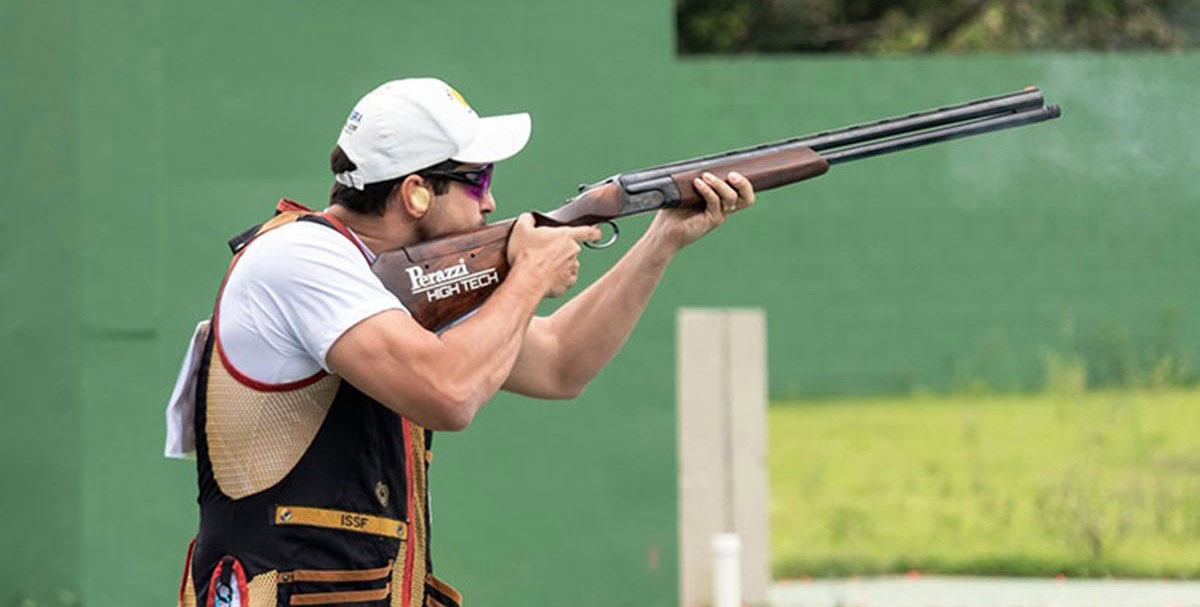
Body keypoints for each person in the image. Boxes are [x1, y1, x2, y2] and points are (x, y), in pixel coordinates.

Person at [164, 78, 755, 607]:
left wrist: (661, 242)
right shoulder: (301, 258)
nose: (492, 202)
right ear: (416, 192)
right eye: (478, 181)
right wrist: (527, 278)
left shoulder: (386, 283)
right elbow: (448, 393)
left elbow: (559, 366)